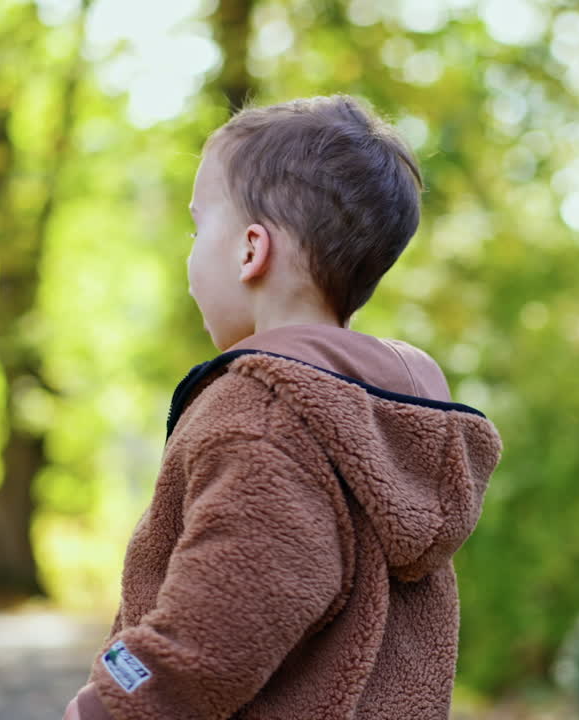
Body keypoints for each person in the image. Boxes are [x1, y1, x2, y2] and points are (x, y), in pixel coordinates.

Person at [63, 95, 502, 719]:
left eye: (197, 227)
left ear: (250, 251)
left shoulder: (265, 416)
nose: (190, 255)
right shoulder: (386, 418)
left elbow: (213, 630)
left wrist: (104, 708)